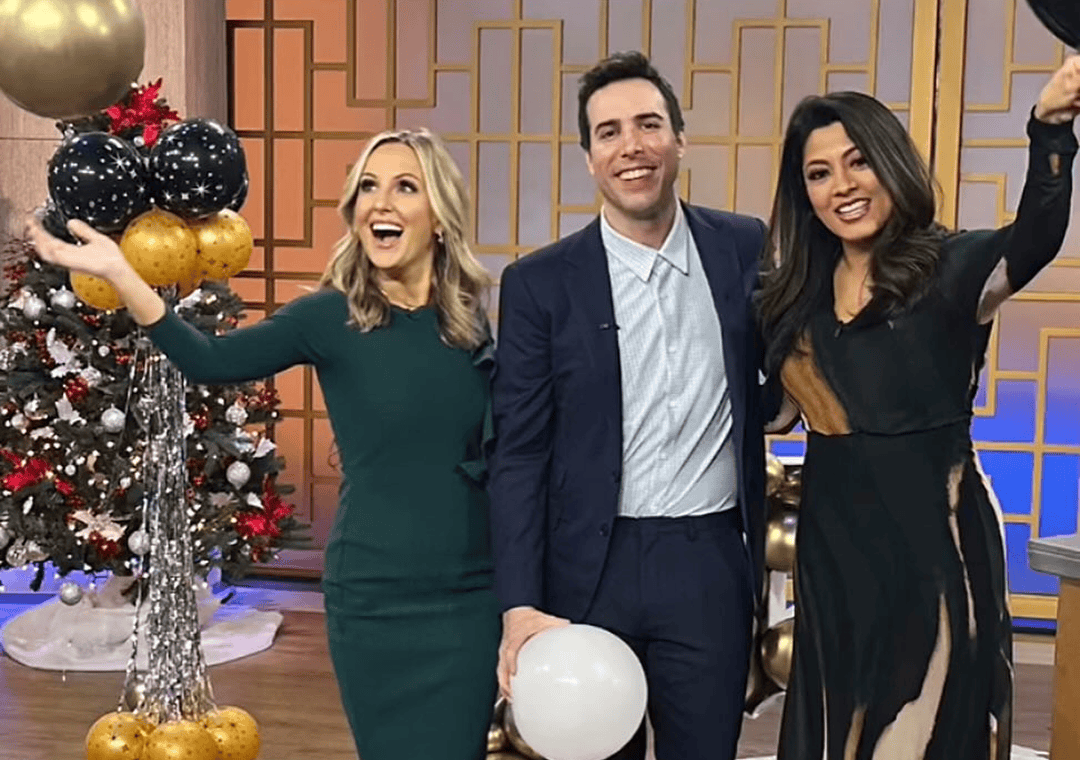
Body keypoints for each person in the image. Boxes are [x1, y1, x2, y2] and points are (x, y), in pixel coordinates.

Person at [27, 128, 500, 760]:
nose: (380, 203)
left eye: (405, 187)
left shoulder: (479, 322)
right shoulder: (328, 318)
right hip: (374, 596)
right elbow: (207, 358)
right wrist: (121, 271)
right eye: (368, 187)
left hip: (470, 598)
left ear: (440, 215)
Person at [757, 59, 1080, 758]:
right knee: (832, 736)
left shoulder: (953, 269)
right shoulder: (793, 300)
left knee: (925, 736)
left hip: (937, 552)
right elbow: (772, 414)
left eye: (859, 161)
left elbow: (1036, 237)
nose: (842, 185)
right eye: (819, 173)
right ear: (802, 191)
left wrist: (1050, 130)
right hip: (833, 561)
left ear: (892, 164)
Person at [489, 51, 774, 760]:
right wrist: (520, 602)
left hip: (707, 562)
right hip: (586, 566)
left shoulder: (744, 247)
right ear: (589, 158)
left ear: (679, 139)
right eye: (609, 132)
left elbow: (785, 371)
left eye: (649, 125)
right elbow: (518, 453)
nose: (632, 147)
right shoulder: (539, 283)